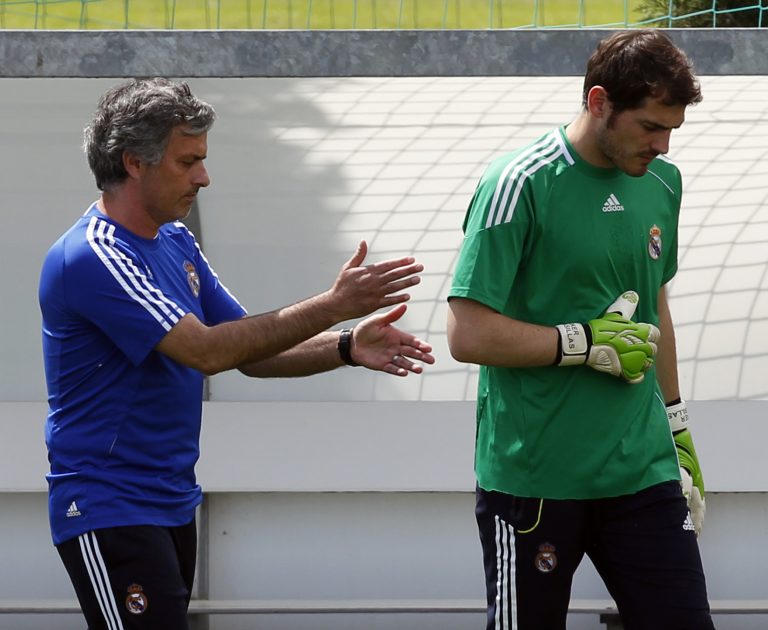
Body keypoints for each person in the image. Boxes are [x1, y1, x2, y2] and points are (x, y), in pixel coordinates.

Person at [38, 77, 435, 630]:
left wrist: (345, 346)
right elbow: (206, 351)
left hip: (169, 500)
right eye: (188, 161)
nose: (204, 176)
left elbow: (250, 348)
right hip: (107, 506)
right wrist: (333, 305)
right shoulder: (90, 256)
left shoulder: (174, 240)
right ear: (134, 162)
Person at [447, 30, 713, 629]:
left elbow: (654, 306)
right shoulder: (519, 183)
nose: (662, 144)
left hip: (642, 472)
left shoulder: (663, 183)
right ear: (599, 103)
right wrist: (581, 344)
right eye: (649, 126)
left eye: (671, 128)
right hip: (535, 481)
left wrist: (676, 425)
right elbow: (467, 334)